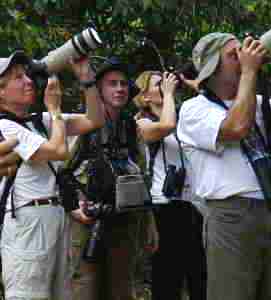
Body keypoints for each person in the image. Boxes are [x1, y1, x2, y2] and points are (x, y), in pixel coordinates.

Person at [177, 32, 271, 300]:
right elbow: (237, 127)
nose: (243, 57)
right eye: (233, 55)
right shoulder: (194, 109)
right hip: (231, 215)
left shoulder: (261, 105)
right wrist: (249, 72)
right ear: (212, 67)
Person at [0, 50, 105, 300]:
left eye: (26, 75)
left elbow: (95, 119)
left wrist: (87, 79)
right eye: (17, 78)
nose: (28, 81)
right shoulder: (4, 126)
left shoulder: (38, 122)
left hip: (55, 216)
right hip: (28, 222)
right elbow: (59, 150)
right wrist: (55, 109)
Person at [69, 57, 158, 300]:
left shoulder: (132, 127)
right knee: (85, 289)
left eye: (123, 84)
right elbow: (61, 172)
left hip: (126, 220)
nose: (119, 89)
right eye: (112, 84)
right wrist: (74, 208)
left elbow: (142, 176)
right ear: (99, 89)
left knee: (122, 290)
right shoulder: (82, 124)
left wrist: (148, 223)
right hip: (88, 221)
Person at [134, 70, 207, 300]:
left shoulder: (184, 117)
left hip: (194, 206)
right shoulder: (142, 122)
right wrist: (169, 95)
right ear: (144, 97)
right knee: (168, 282)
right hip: (164, 208)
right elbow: (167, 125)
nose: (167, 86)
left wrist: (194, 85)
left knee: (201, 280)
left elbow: (213, 111)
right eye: (159, 84)